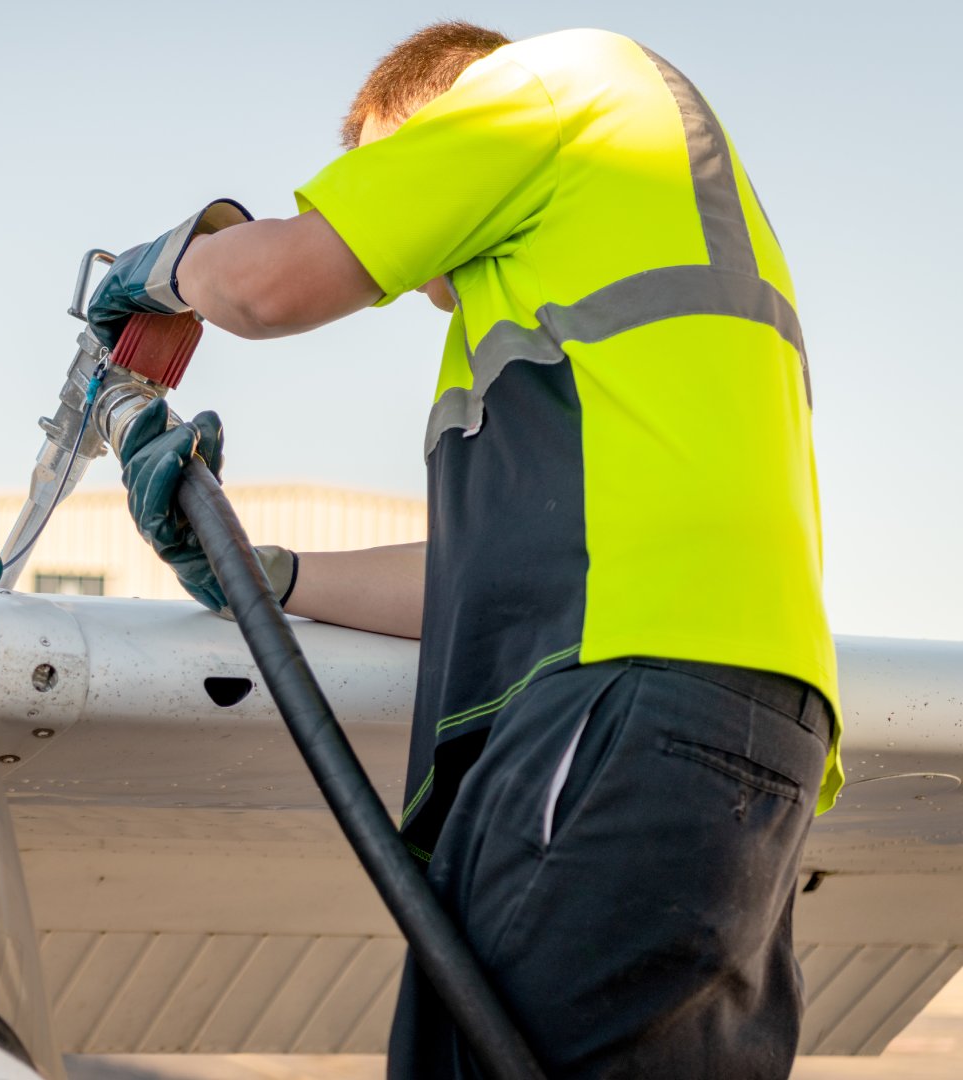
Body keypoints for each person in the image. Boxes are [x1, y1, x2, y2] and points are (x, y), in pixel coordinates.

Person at [87, 22, 842, 1079]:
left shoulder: (555, 85)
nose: (408, 252)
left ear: (431, 121)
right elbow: (474, 579)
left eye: (386, 173)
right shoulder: (596, 261)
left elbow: (267, 285)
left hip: (619, 708)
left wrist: (164, 268)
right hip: (730, 735)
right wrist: (273, 577)